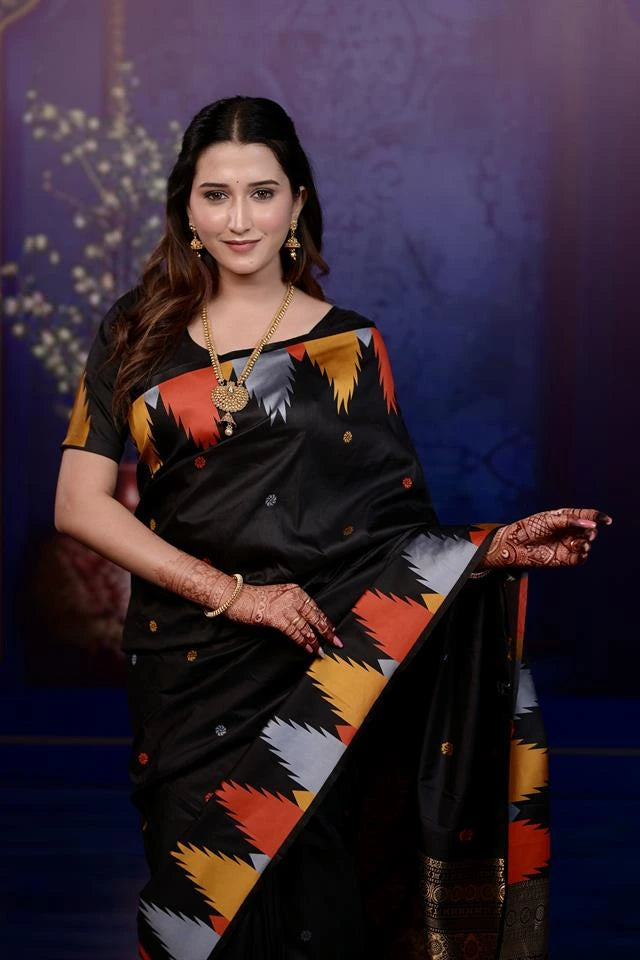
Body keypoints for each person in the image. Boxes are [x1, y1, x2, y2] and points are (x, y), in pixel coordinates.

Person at [54, 96, 611, 960]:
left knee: (320, 913)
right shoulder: (132, 334)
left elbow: (387, 534)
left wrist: (486, 551)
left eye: (262, 192)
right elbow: (79, 504)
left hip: (322, 686)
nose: (239, 219)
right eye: (215, 195)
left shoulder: (352, 346)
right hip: (193, 679)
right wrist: (237, 597)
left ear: (298, 204)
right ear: (187, 210)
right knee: (199, 913)